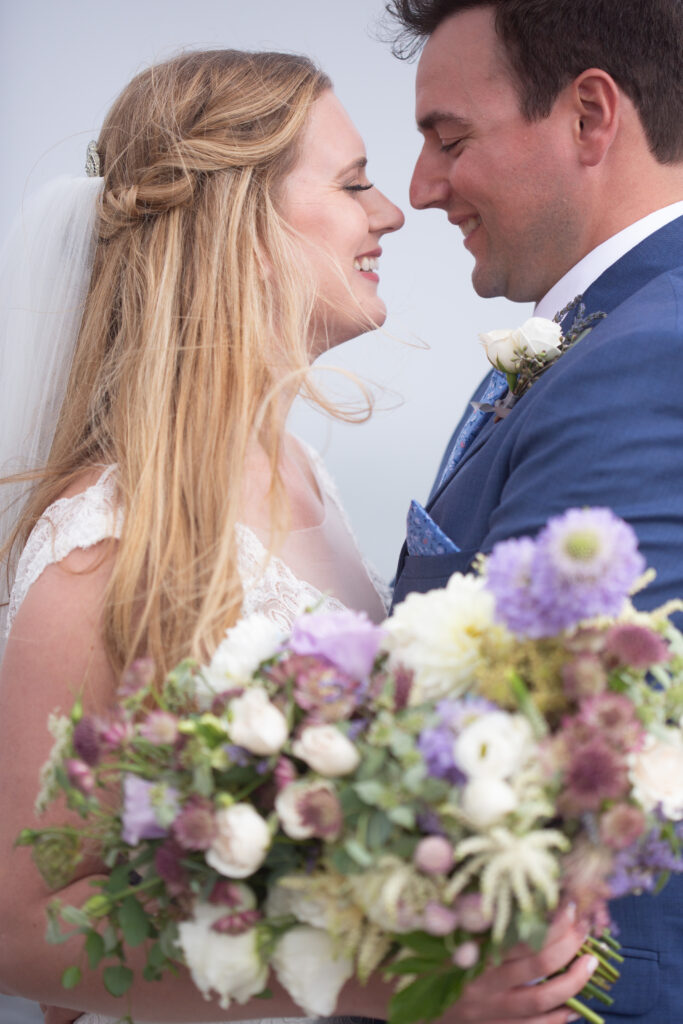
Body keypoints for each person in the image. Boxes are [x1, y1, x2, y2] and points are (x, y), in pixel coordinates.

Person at [0, 47, 411, 1023]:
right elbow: (20, 929)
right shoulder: (102, 541)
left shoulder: (304, 476)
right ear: (245, 225)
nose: (388, 213)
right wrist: (364, 982)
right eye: (353, 182)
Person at [387, 0, 683, 1021]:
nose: (421, 188)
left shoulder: (648, 353)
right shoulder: (614, 331)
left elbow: (541, 742)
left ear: (588, 116)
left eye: (447, 138)